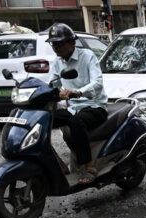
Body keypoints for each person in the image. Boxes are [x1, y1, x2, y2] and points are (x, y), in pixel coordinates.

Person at [48, 23, 108, 184]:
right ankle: (56, 164)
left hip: (94, 105)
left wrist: (78, 92)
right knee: (43, 120)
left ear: (72, 43)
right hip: (72, 107)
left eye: (60, 43)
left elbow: (97, 82)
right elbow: (52, 83)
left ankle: (88, 167)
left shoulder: (87, 56)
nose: (56, 47)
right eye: (54, 44)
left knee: (76, 122)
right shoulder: (57, 61)